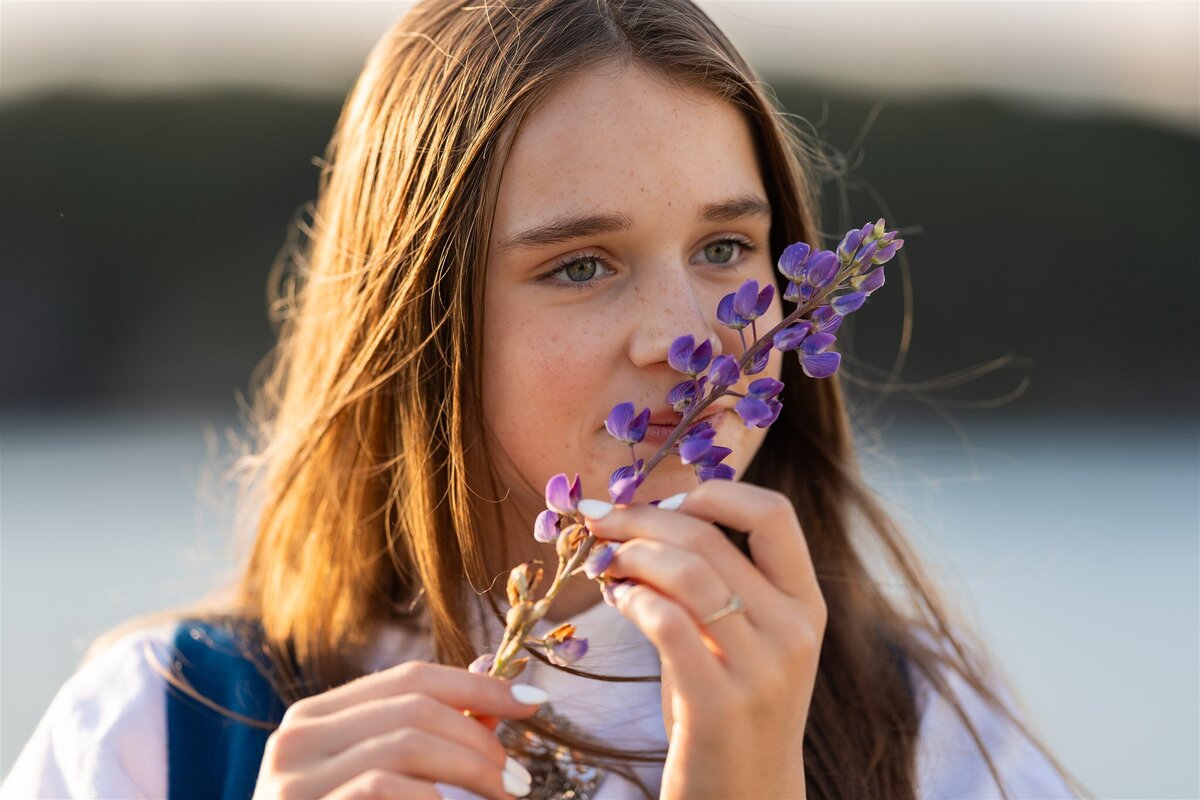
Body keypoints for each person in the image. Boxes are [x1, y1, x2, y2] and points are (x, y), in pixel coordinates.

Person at [2, 1, 1087, 798]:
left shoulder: (927, 736)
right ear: (422, 316)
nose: (686, 337)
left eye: (725, 247)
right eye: (581, 263)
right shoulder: (164, 728)